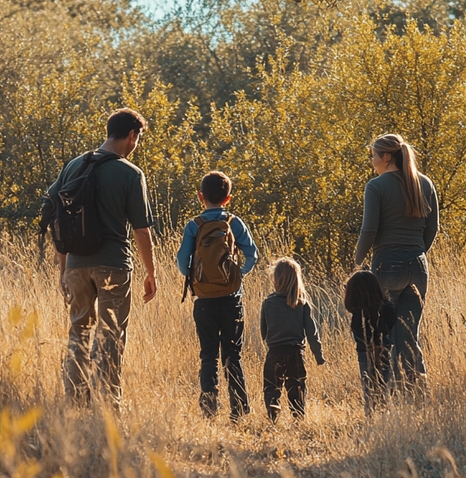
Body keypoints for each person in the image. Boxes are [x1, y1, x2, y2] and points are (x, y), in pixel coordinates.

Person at [49, 108, 157, 407]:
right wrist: (151, 273)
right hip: (113, 266)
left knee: (78, 334)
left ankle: (75, 404)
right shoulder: (130, 173)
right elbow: (141, 230)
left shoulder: (74, 166)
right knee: (110, 337)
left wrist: (63, 269)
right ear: (132, 135)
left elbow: (57, 217)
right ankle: (108, 408)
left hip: (75, 265)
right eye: (138, 139)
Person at [354, 133, 439, 391]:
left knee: (384, 333)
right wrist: (416, 252)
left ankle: (386, 391)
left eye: (373, 155)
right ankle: (417, 390)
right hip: (418, 266)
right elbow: (432, 228)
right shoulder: (424, 183)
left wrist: (358, 261)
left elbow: (369, 230)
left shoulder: (376, 186)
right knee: (409, 332)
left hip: (386, 265)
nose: (372, 161)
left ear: (387, 157)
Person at [176, 171, 260, 421]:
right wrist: (237, 275)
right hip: (232, 298)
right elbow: (252, 255)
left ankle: (209, 409)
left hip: (203, 301)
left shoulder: (194, 225)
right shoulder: (235, 222)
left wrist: (195, 278)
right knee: (233, 355)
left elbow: (182, 262)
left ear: (201, 197)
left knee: (208, 354)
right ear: (228, 199)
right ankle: (240, 410)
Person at [259, 258, 324, 422]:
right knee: (297, 386)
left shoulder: (268, 303)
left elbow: (263, 329)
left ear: (275, 278)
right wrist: (318, 354)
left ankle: (273, 413)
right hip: (296, 351)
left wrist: (269, 341)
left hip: (274, 351)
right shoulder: (302, 303)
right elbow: (312, 331)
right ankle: (298, 416)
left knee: (271, 386)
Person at [344, 270, 396, 415]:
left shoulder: (357, 314)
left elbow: (358, 335)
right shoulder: (388, 307)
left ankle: (370, 411)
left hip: (364, 351)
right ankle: (385, 410)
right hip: (385, 348)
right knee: (385, 381)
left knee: (368, 384)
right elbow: (390, 326)